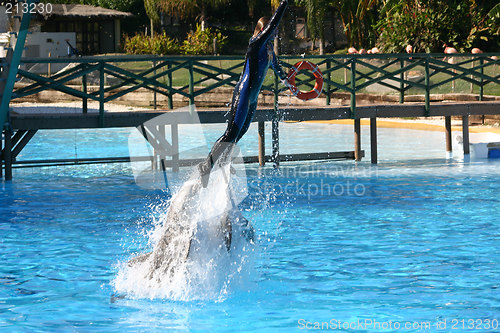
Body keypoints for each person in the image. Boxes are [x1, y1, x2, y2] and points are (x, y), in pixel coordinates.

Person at [198, 0, 289, 187]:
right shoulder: (255, 44)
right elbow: (273, 23)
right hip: (244, 93)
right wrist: (284, 3)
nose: (276, 31)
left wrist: (287, 81)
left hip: (253, 98)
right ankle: (206, 167)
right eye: (272, 29)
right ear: (263, 31)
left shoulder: (270, 50)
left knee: (242, 132)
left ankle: (224, 163)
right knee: (231, 133)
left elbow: (278, 69)